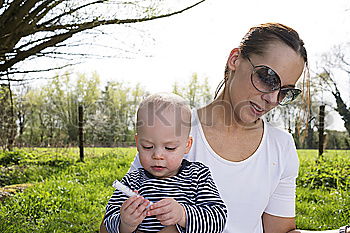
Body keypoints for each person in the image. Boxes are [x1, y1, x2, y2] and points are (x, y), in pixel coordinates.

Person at [101, 23, 349, 233]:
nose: (273, 99)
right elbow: (109, 225)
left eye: (285, 91)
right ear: (235, 60)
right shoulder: (173, 133)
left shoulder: (281, 146)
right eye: (268, 78)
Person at [103, 93, 227, 233]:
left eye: (170, 148)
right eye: (147, 147)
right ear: (137, 143)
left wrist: (183, 215)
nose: (157, 156)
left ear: (187, 145)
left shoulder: (198, 176)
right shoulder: (132, 181)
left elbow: (218, 218)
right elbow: (107, 222)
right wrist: (124, 224)